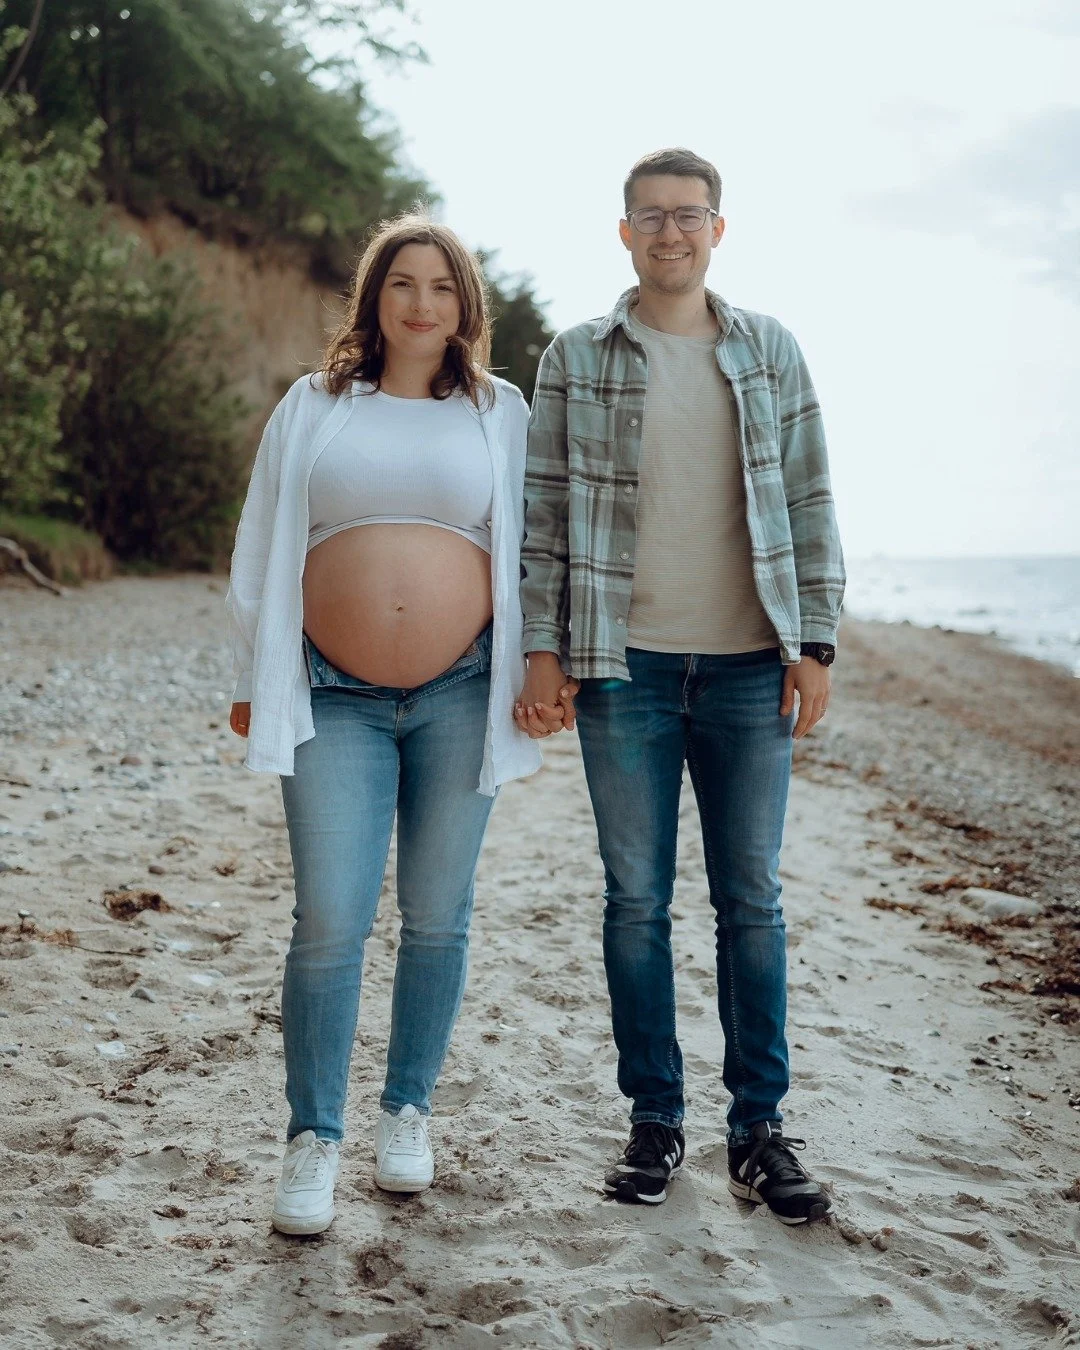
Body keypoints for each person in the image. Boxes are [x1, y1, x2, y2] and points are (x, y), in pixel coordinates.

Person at [516, 148, 845, 1225]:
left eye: (688, 215)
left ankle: (758, 1131)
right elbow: (546, 520)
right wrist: (542, 648)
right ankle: (654, 1120)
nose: (671, 233)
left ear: (718, 228)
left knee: (750, 904)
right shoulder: (575, 356)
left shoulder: (769, 353)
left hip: (753, 666)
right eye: (651, 217)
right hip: (627, 668)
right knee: (635, 903)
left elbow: (808, 500)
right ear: (624, 232)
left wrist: (818, 642)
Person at [226, 215, 541, 1236]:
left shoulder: (501, 412)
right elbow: (261, 537)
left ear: (465, 308)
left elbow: (534, 552)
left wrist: (547, 665)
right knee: (330, 919)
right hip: (331, 691)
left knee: (439, 914)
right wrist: (250, 674)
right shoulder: (316, 407)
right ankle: (312, 1138)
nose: (420, 303)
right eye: (402, 284)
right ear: (374, 299)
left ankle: (407, 1112)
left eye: (441, 287)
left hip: (463, 690)